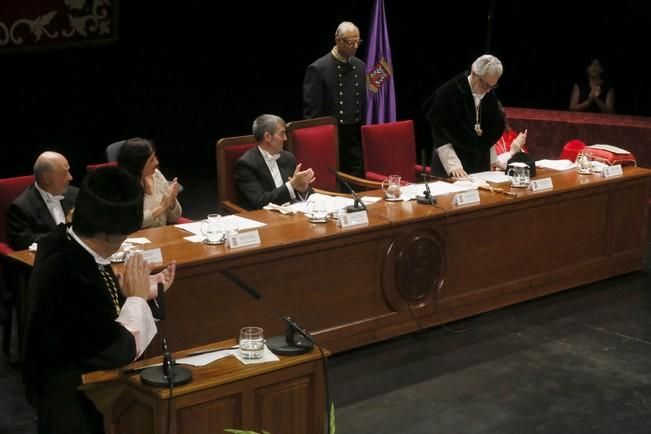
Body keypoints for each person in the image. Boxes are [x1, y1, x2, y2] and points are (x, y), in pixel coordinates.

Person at [21, 166, 177, 434]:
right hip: (72, 397)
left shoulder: (67, 241)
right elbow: (114, 350)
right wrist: (137, 299)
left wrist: (140, 295)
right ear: (108, 233)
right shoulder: (69, 272)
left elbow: (102, 309)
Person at [425, 54, 506, 178]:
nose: (488, 90)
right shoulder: (448, 93)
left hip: (479, 166)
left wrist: (494, 160)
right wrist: (453, 166)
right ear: (474, 74)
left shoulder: (489, 95)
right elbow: (440, 134)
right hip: (451, 166)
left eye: (493, 86)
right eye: (485, 85)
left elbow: (491, 132)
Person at [303, 21, 366, 177]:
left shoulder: (360, 66)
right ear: (337, 40)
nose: (355, 46)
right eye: (351, 42)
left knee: (356, 178)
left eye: (358, 42)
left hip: (354, 136)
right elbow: (312, 114)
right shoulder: (318, 68)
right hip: (330, 137)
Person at [234, 114, 315, 210]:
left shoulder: (288, 157)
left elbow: (305, 196)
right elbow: (260, 202)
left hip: (293, 214)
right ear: (268, 136)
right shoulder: (246, 164)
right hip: (265, 219)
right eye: (282, 134)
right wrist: (292, 184)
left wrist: (303, 190)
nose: (285, 138)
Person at [8, 151, 79, 250]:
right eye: (64, 173)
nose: (70, 177)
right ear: (46, 178)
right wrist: (64, 231)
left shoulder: (76, 194)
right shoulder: (21, 207)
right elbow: (23, 243)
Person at [117, 137, 182, 228]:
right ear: (138, 164)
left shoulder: (156, 175)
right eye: (151, 160)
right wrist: (161, 207)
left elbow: (174, 219)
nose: (156, 162)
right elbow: (130, 224)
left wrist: (172, 201)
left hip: (163, 237)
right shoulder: (122, 187)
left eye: (155, 157)